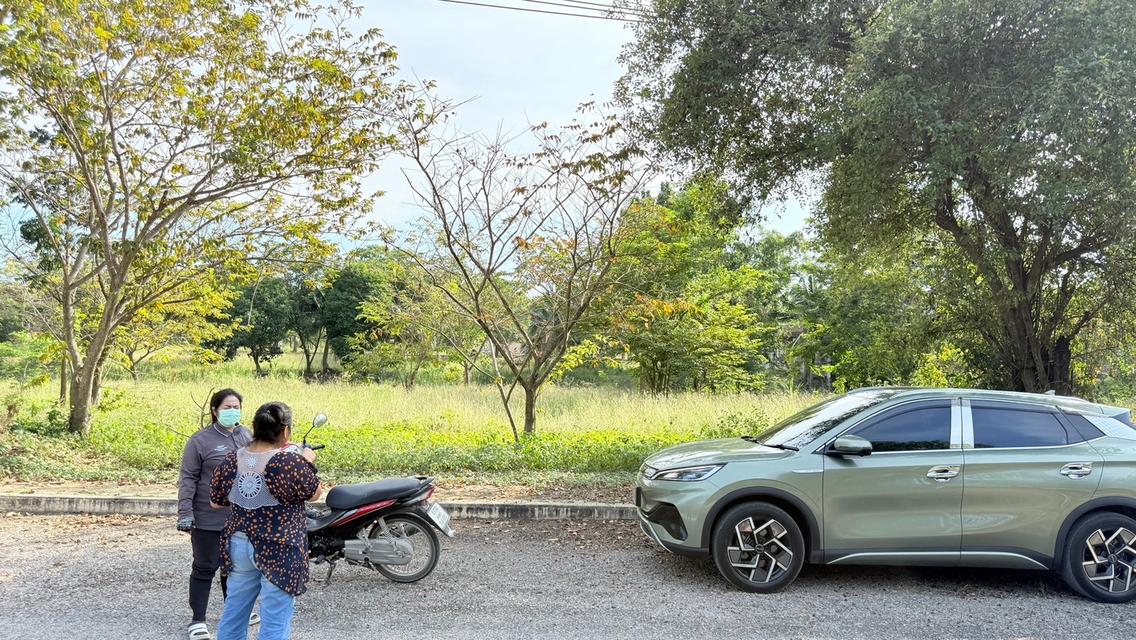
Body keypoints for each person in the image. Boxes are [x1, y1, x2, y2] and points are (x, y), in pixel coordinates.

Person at [210, 401, 322, 640]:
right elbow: (313, 493)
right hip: (280, 547)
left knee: (234, 614)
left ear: (255, 428)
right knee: (275, 621)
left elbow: (216, 501)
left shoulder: (232, 460)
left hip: (239, 543)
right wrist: (307, 461)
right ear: (285, 431)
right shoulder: (288, 463)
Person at [178, 388, 255, 640]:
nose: (233, 411)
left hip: (241, 517)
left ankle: (235, 612)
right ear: (214, 411)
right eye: (227, 407)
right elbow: (188, 478)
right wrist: (185, 513)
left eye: (236, 407)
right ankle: (197, 620)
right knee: (205, 567)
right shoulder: (200, 441)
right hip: (207, 517)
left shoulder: (246, 435)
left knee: (234, 568)